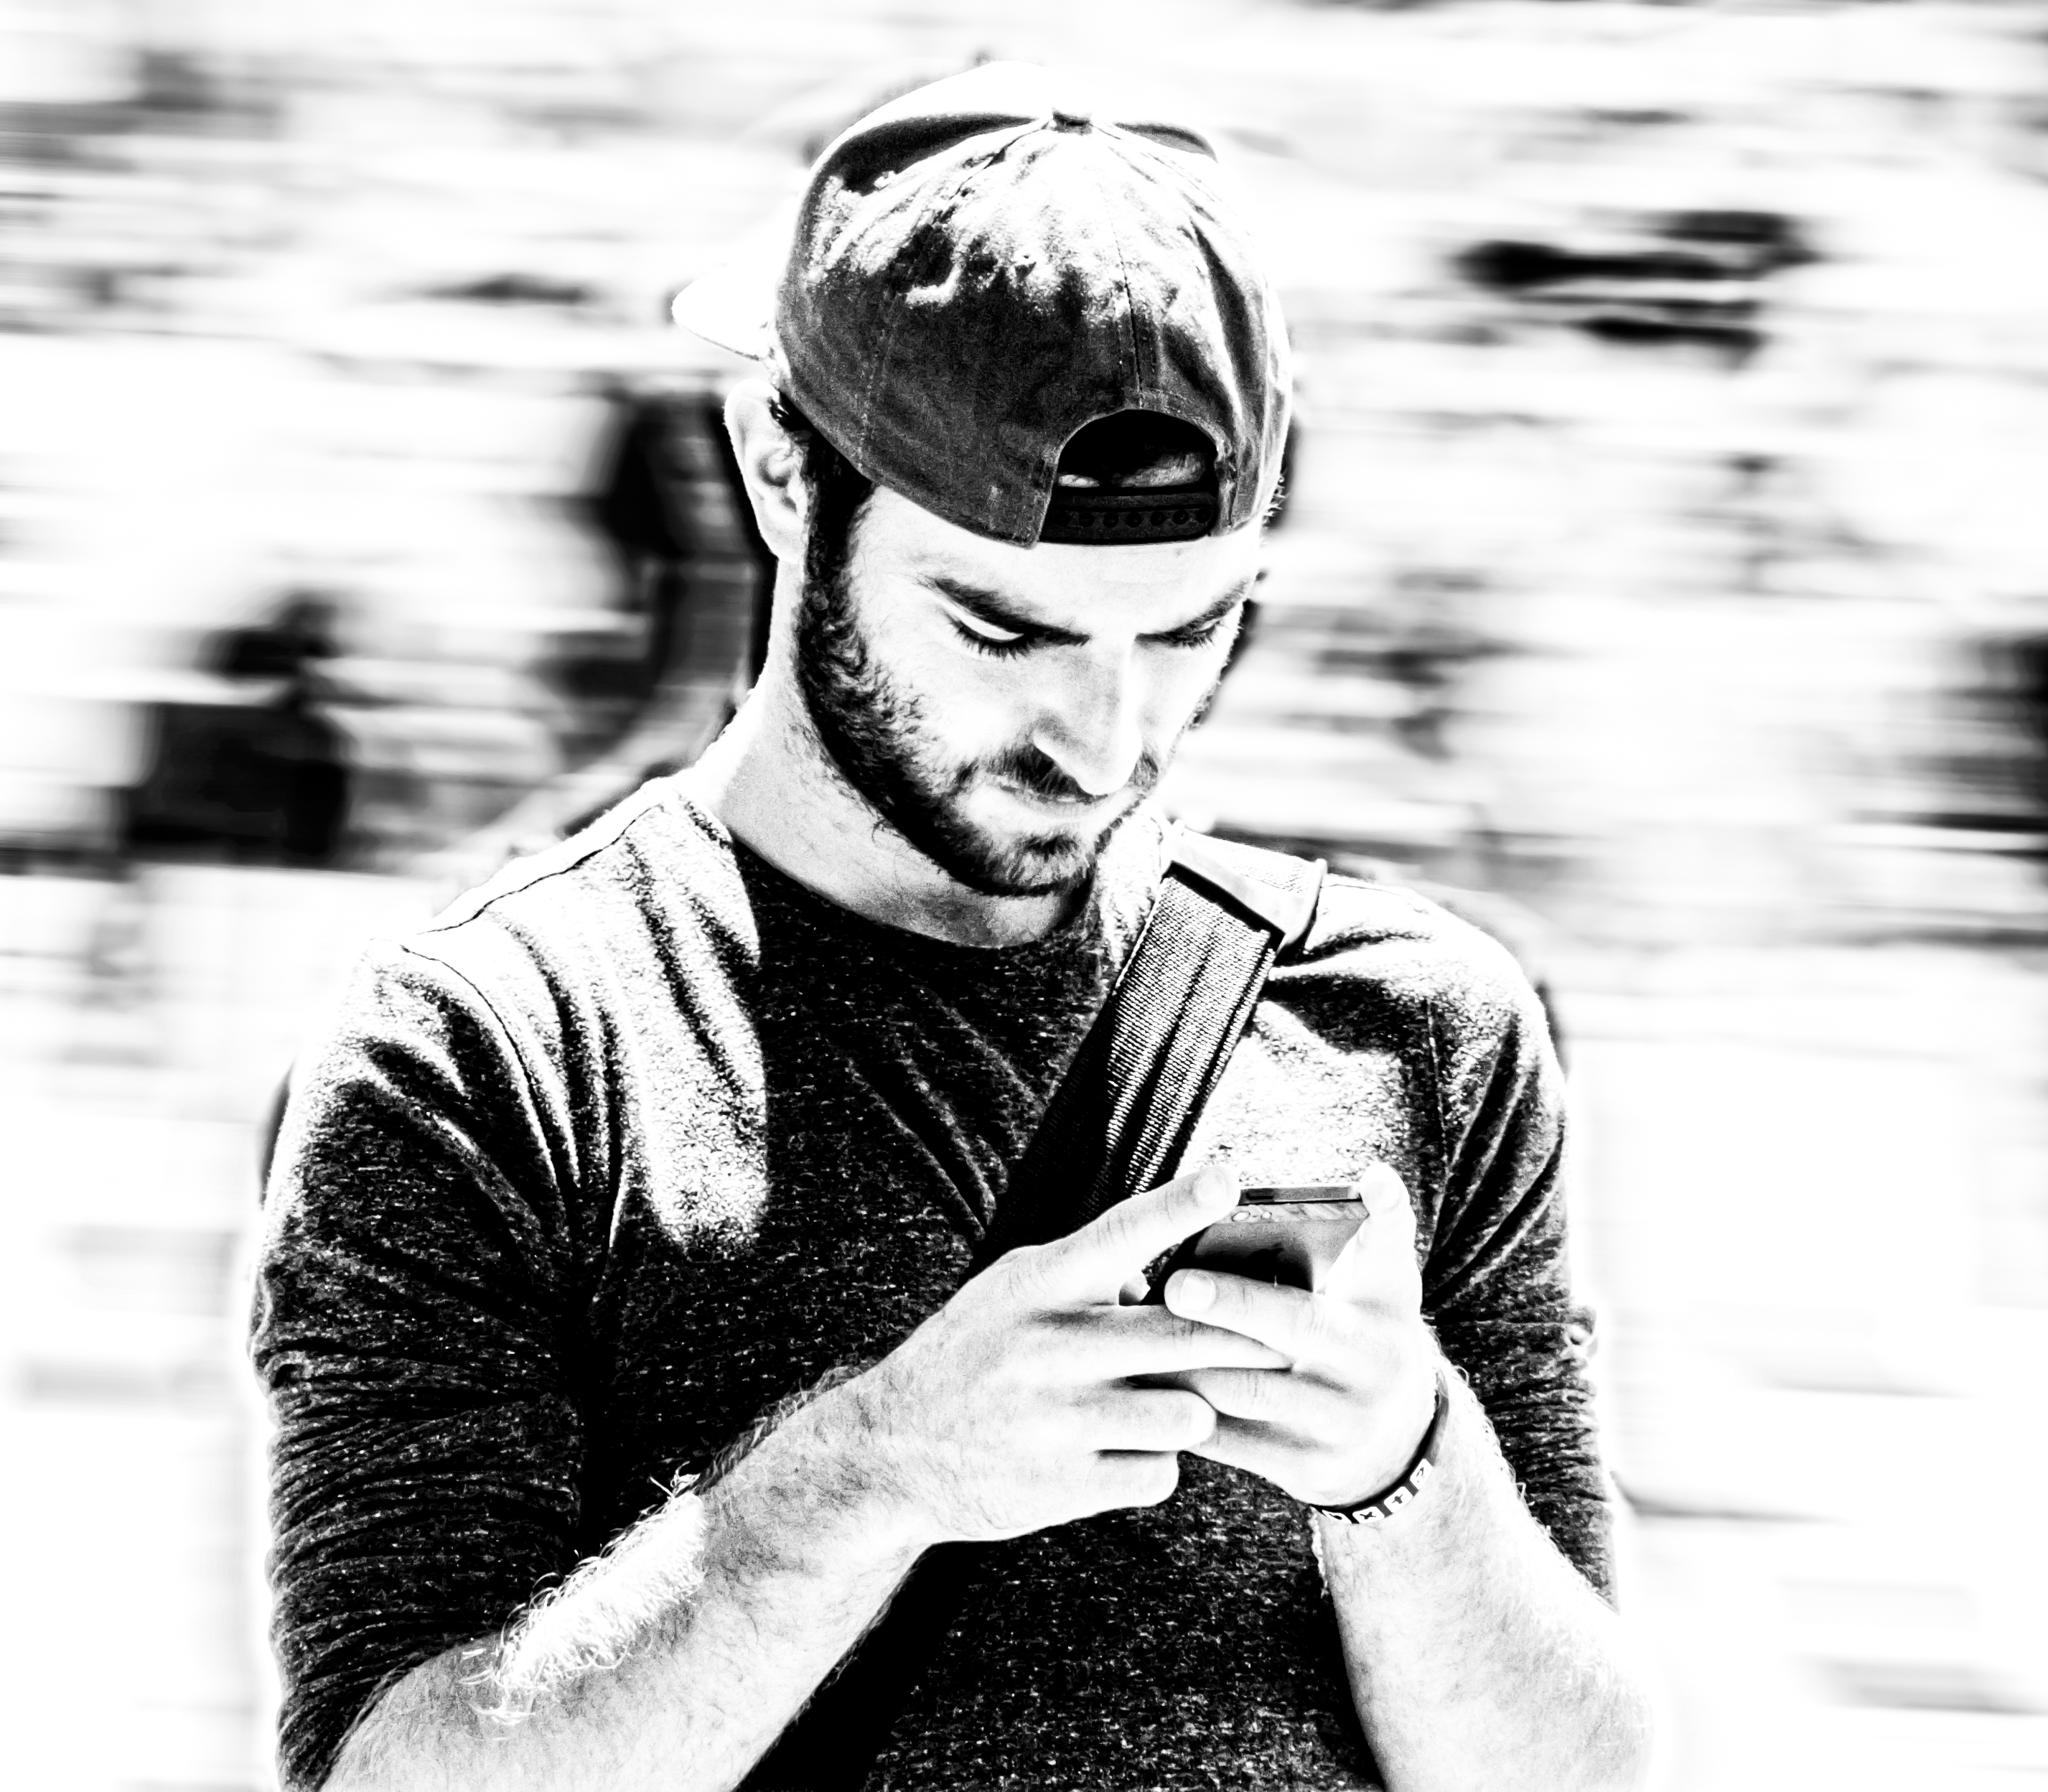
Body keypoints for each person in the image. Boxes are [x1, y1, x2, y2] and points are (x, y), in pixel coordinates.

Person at [251, 62, 1649, 1792]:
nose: (1109, 741)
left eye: (1188, 631)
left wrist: (1407, 1472)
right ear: (782, 472)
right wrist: (869, 1474)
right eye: (1004, 634)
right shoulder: (494, 1050)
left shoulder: (1419, 1026)